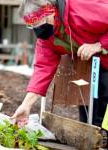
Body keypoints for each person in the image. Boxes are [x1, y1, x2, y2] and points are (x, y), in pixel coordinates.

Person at [12, 0, 108, 134]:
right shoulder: (47, 37)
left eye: (40, 22)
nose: (38, 29)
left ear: (50, 10)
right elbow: (43, 67)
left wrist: (99, 45)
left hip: (103, 55)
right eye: (32, 25)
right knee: (90, 121)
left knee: (105, 118)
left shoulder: (80, 9)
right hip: (96, 66)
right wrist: (26, 105)